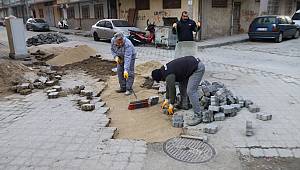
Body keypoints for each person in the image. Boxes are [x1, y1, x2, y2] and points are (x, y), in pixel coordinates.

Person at [151, 56, 205, 126]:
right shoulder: (163, 70)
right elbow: (168, 85)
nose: (162, 81)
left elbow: (172, 89)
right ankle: (184, 104)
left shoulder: (168, 75)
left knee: (191, 91)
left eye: (160, 80)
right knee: (181, 86)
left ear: (160, 77)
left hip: (197, 68)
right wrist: (167, 99)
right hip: (189, 68)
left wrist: (171, 104)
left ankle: (198, 115)